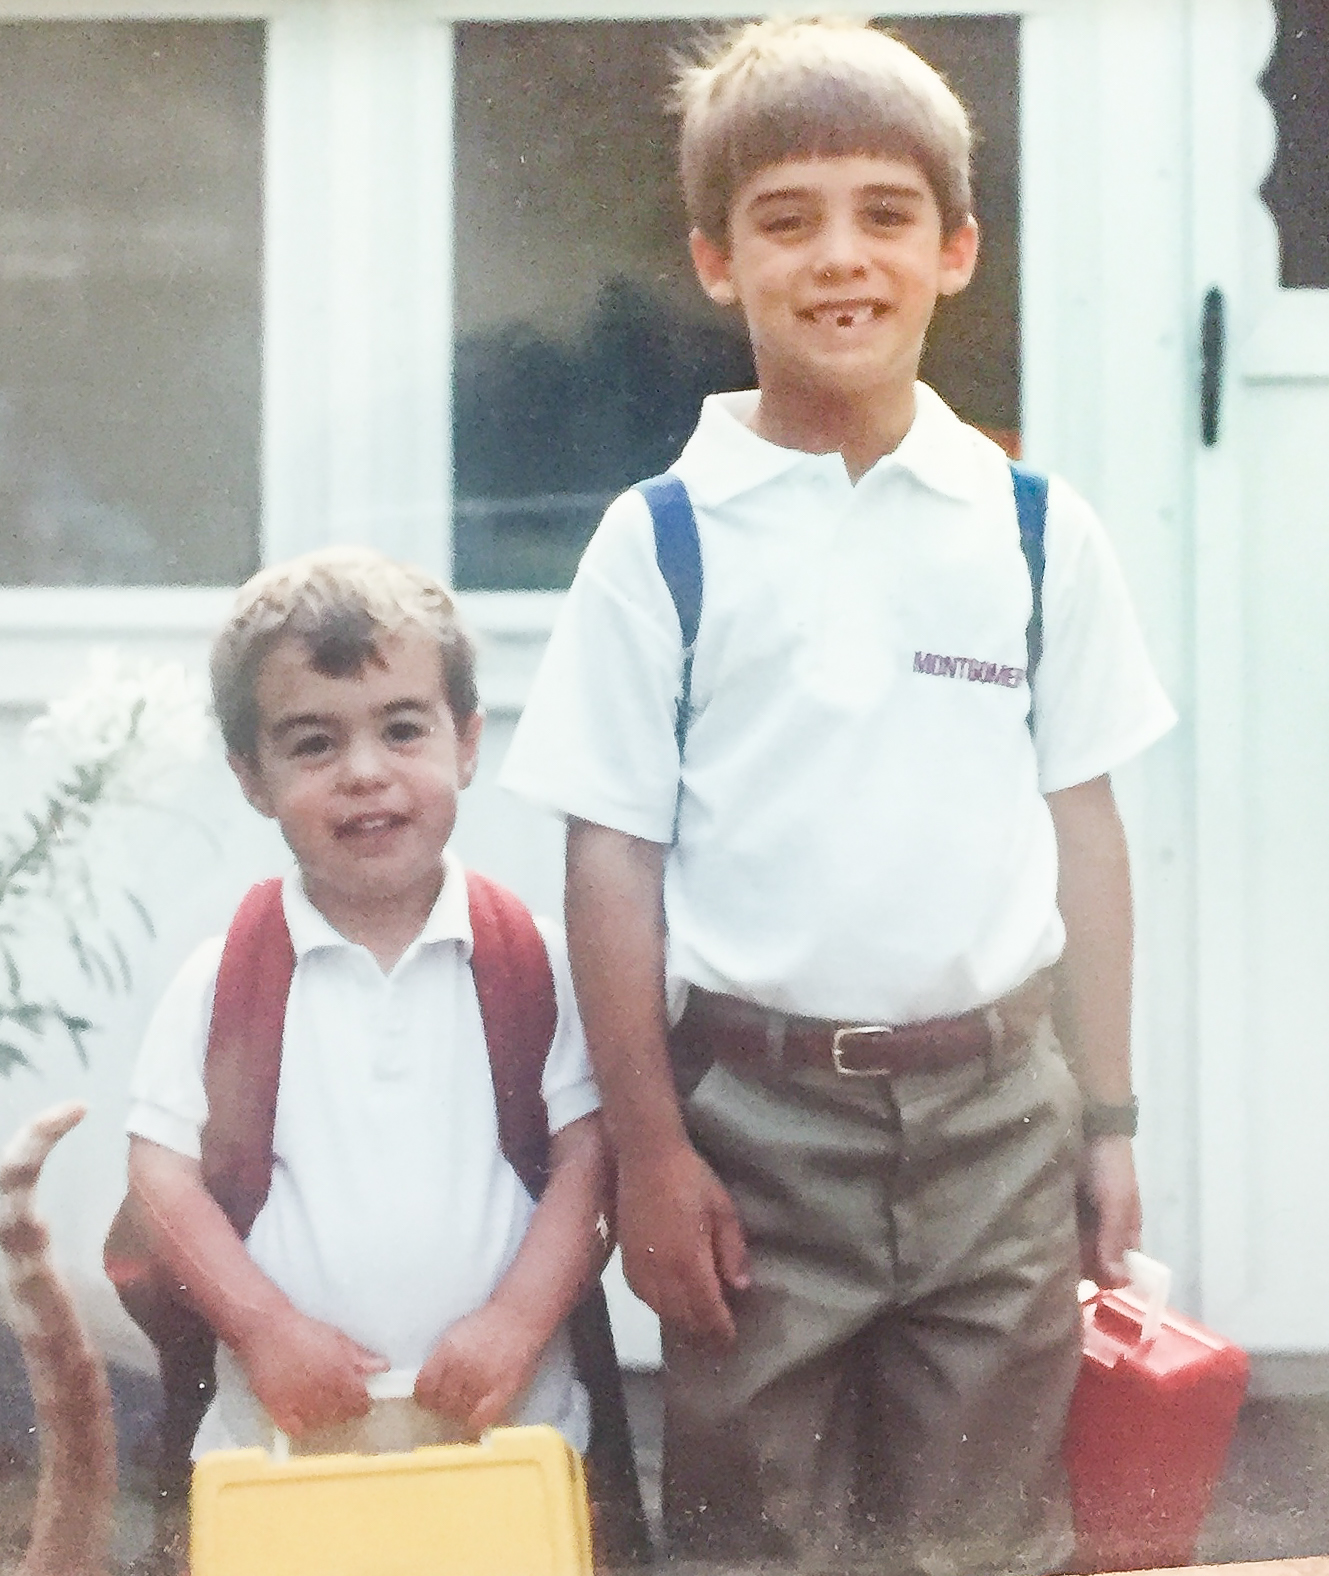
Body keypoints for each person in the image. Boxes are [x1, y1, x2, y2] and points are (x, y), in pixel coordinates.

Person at [498, 18, 1176, 1575]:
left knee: (985, 1538)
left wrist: (1108, 1118)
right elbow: (610, 862)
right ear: (716, 260)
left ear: (955, 250)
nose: (840, 257)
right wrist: (652, 1157)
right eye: (787, 219)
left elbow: (1085, 835)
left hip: (998, 1118)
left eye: (885, 213)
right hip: (750, 1130)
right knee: (758, 1539)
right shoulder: (662, 541)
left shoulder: (1032, 531)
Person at [121, 547, 611, 1467]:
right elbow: (160, 1177)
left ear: (467, 742)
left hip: (506, 1441)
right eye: (314, 743)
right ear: (251, 777)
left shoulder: (534, 964)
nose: (364, 772)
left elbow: (589, 1159)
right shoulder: (225, 980)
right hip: (286, 1450)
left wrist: (516, 1321)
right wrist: (262, 1327)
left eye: (402, 729)